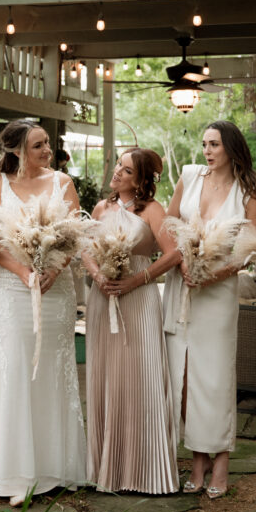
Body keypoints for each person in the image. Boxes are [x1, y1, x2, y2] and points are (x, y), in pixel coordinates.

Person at [0, 119, 86, 506]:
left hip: (55, 289)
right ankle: (15, 472)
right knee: (14, 368)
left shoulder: (62, 183)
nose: (47, 150)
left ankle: (53, 467)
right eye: (38, 145)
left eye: (47, 143)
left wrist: (53, 269)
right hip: (11, 288)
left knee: (52, 367)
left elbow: (74, 236)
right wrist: (22, 271)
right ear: (18, 150)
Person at [163, 121, 256, 498]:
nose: (207, 151)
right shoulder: (189, 176)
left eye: (215, 144)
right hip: (182, 283)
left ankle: (220, 460)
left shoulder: (249, 188)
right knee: (184, 374)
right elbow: (171, 226)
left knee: (215, 376)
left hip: (218, 289)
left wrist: (212, 274)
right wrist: (184, 263)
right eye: (204, 143)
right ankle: (196, 460)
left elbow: (249, 246)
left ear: (231, 148)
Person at [83, 148, 183, 494]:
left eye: (126, 171)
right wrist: (97, 275)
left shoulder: (154, 211)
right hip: (102, 297)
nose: (117, 174)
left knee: (141, 374)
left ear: (141, 181)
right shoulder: (101, 207)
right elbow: (85, 247)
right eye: (118, 166)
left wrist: (135, 281)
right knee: (106, 376)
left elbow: (174, 253)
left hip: (138, 297)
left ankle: (146, 469)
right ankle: (105, 467)